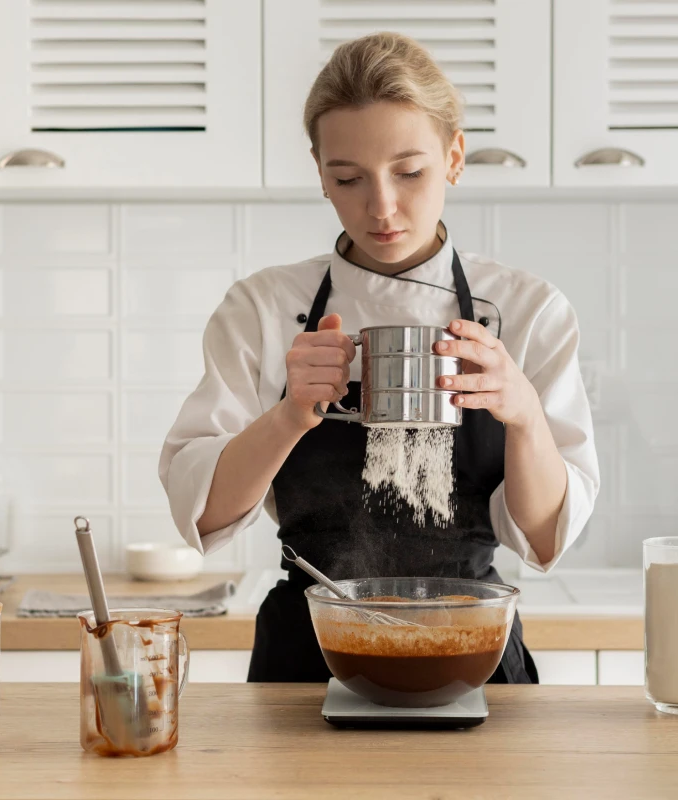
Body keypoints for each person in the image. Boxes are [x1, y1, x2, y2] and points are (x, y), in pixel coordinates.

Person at [160, 32, 599, 684]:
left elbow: (542, 539)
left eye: (409, 172)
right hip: (308, 658)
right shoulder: (262, 307)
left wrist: (526, 416)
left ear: (454, 157)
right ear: (320, 173)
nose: (382, 207)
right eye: (348, 178)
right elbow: (204, 515)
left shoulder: (529, 310)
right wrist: (289, 416)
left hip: (471, 649)